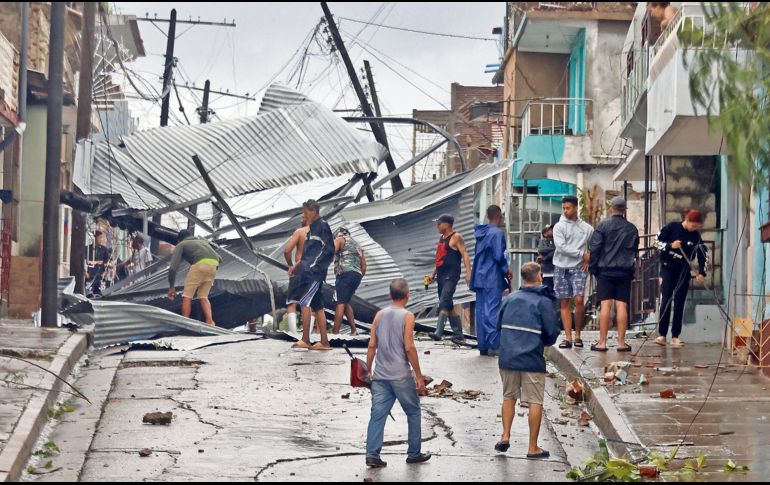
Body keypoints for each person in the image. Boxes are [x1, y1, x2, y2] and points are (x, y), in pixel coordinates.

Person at [495, 262, 560, 459]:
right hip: (532, 359)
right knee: (535, 401)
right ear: (539, 277)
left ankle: (505, 435)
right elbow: (551, 333)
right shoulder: (543, 302)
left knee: (508, 397)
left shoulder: (509, 299)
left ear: (523, 277)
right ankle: (532, 447)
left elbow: (498, 324)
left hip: (508, 358)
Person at [365, 278, 431, 468]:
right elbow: (409, 347)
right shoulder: (408, 316)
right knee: (413, 411)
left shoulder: (379, 315)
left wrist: (368, 370)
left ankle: (372, 454)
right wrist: (418, 376)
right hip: (401, 375)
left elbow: (372, 345)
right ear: (407, 296)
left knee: (377, 415)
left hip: (380, 376)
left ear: (389, 295)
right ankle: (414, 453)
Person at [588, 197, 640, 353]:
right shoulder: (632, 228)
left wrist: (593, 268)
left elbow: (595, 248)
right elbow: (634, 251)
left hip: (605, 270)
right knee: (622, 304)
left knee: (605, 305)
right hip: (624, 270)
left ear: (611, 208)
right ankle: (621, 343)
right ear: (624, 210)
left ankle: (602, 343)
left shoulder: (602, 226)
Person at [654, 209, 707, 348]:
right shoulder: (672, 227)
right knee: (666, 300)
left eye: (696, 227)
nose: (694, 228)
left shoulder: (695, 236)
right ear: (687, 220)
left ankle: (675, 336)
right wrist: (670, 246)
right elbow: (656, 242)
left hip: (683, 271)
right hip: (667, 269)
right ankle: (662, 334)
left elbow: (703, 254)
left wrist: (702, 272)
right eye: (693, 225)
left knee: (679, 302)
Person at [289, 200, 335, 350]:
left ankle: (305, 339)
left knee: (304, 301)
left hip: (314, 273)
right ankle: (324, 342)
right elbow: (307, 254)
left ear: (314, 211)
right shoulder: (311, 229)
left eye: (306, 212)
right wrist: (296, 266)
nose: (304, 215)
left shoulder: (323, 226)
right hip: (308, 271)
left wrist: (315, 266)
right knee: (317, 306)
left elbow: (329, 250)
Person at [553, 196, 594, 349]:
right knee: (564, 301)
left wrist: (588, 259)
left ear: (576, 208)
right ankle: (568, 337)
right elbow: (561, 247)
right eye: (563, 208)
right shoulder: (559, 226)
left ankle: (578, 335)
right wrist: (582, 255)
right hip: (560, 267)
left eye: (568, 208)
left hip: (578, 268)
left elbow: (594, 245)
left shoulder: (587, 228)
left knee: (579, 300)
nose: (565, 211)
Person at [469, 205, 510, 356]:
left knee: (480, 310)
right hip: (492, 276)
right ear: (499, 215)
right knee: (492, 309)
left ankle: (483, 345)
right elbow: (499, 255)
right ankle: (494, 344)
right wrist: (506, 269)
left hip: (479, 276)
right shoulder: (497, 233)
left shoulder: (481, 232)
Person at [427, 214, 472, 345]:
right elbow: (439, 258)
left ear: (446, 224)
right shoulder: (441, 238)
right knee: (448, 304)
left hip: (451, 275)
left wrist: (469, 273)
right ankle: (458, 334)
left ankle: (438, 332)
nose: (437, 226)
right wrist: (432, 274)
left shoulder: (456, 237)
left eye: (439, 223)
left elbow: (465, 254)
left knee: (444, 301)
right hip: (441, 275)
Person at [167, 229, 222, 326]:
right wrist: (210, 267)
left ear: (179, 240)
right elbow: (219, 258)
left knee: (187, 295)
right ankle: (210, 322)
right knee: (203, 296)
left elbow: (173, 268)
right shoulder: (203, 242)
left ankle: (185, 323)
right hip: (214, 267)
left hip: (199, 265)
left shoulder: (181, 244)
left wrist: (171, 287)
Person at [332, 227, 366, 335]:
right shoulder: (358, 246)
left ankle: (335, 333)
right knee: (345, 301)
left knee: (340, 302)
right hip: (357, 275)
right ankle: (354, 330)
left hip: (345, 274)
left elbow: (329, 252)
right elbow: (364, 267)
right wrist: (357, 276)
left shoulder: (340, 239)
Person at [284, 215, 310, 334]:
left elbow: (287, 250)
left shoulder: (300, 232)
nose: (300, 220)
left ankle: (294, 334)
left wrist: (291, 265)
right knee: (309, 303)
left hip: (300, 270)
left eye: (302, 217)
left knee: (292, 302)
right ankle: (307, 335)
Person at [87, 230, 110, 297]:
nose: (101, 240)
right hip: (90, 275)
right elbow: (86, 261)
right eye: (99, 238)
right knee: (89, 294)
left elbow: (106, 262)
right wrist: (97, 262)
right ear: (94, 238)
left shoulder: (104, 249)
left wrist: (105, 273)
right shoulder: (88, 248)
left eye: (102, 238)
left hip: (100, 275)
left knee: (100, 294)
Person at [537, 225, 556, 292]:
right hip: (546, 272)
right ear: (545, 233)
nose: (552, 230)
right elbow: (542, 250)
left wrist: (545, 257)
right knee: (547, 291)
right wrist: (554, 250)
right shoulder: (542, 241)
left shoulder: (557, 241)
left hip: (556, 271)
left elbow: (558, 250)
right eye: (549, 230)